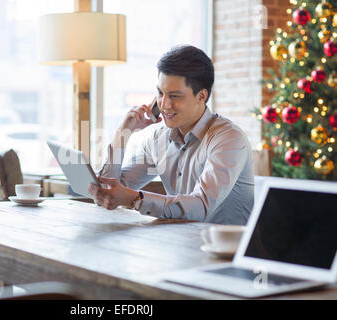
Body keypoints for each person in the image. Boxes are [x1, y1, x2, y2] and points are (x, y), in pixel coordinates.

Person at [88, 45, 254, 225]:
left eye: (175, 96)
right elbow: (108, 191)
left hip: (227, 250)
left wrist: (135, 199)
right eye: (160, 93)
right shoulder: (158, 139)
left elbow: (201, 206)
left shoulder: (228, 139)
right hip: (179, 244)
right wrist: (122, 134)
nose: (165, 104)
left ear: (201, 96)